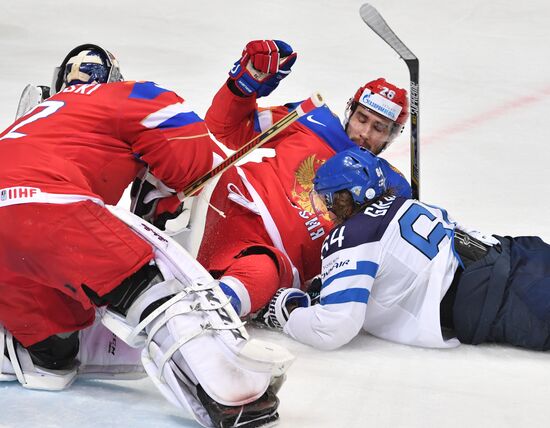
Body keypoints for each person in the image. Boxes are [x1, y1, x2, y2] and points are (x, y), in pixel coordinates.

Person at [0, 44, 293, 428]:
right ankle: (233, 393)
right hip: (48, 205)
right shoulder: (125, 95)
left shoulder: (35, 118)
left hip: (18, 239)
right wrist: (162, 190)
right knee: (148, 283)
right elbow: (193, 157)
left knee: (53, 351)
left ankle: (41, 353)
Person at [191, 39, 412, 319]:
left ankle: (197, 314)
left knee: (260, 278)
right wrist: (245, 85)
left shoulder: (391, 185)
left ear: (392, 136)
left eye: (379, 128)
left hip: (268, 255)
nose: (364, 133)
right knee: (186, 149)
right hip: (226, 199)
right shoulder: (314, 119)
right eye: (361, 118)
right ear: (350, 111)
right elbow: (228, 130)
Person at [271, 145, 550, 353]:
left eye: (327, 199)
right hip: (517, 252)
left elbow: (332, 327)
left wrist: (290, 316)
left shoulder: (351, 235)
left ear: (351, 195)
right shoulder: (406, 203)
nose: (326, 210)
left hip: (500, 298)